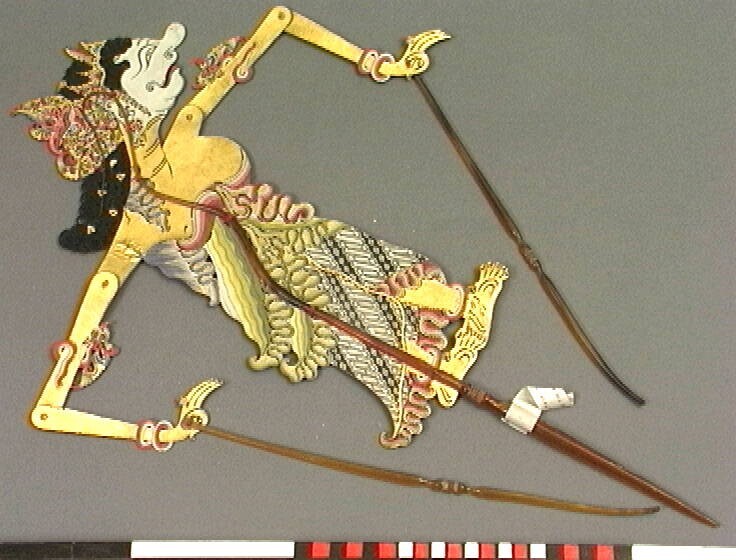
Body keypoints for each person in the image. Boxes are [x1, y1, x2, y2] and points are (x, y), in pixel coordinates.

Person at [14, 8, 507, 452]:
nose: (171, 50)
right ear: (116, 105)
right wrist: (154, 433)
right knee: (317, 307)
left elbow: (278, 21)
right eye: (151, 58)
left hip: (286, 234)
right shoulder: (134, 233)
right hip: (256, 291)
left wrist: (381, 64)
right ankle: (430, 365)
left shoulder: (185, 128)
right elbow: (47, 412)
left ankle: (452, 309)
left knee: (329, 245)